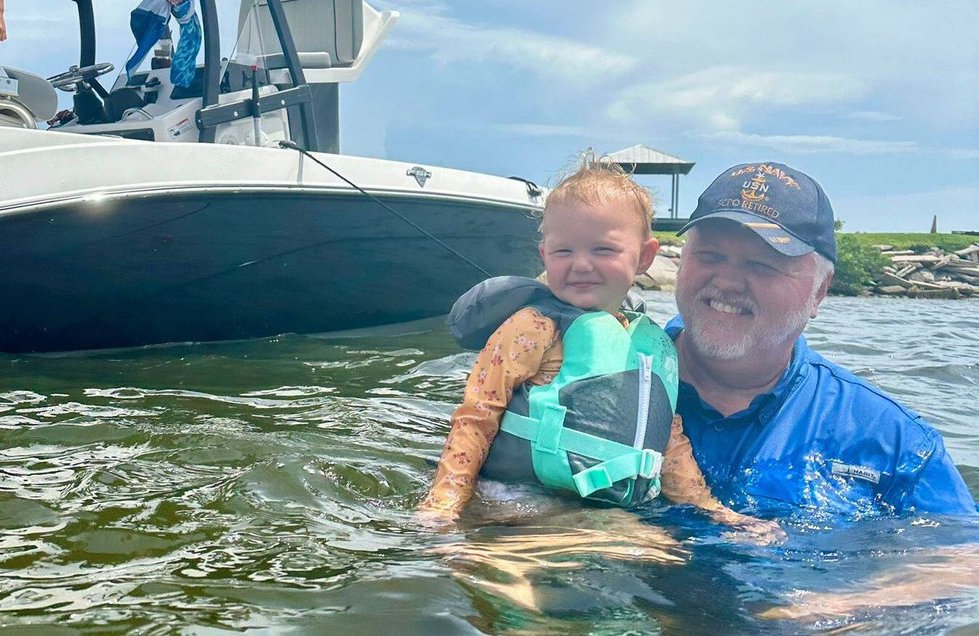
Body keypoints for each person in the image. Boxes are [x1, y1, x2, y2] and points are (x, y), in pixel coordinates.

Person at [419, 156, 772, 535]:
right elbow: (477, 415)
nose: (581, 265)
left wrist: (712, 509)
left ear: (645, 258)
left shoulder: (651, 346)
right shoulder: (533, 327)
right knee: (528, 575)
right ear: (544, 256)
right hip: (511, 501)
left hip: (603, 513)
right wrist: (445, 502)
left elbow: (668, 442)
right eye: (564, 252)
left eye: (603, 250)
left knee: (665, 557)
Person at [668, 161, 977, 519]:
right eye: (711, 256)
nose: (728, 281)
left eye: (762, 265)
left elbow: (961, 561)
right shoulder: (606, 378)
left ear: (819, 291)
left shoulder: (895, 446)